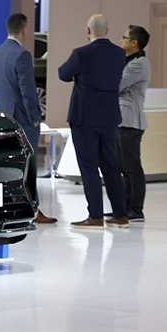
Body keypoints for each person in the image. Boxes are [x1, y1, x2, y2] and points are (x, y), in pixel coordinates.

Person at [57, 14, 129, 228]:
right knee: (110, 166)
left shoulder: (81, 53)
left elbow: (63, 73)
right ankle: (120, 214)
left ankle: (95, 216)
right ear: (107, 31)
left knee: (89, 167)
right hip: (109, 117)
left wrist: (78, 75)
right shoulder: (119, 53)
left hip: (84, 117)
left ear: (88, 30)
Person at [0, 12, 56, 223]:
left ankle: (9, 209)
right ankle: (32, 209)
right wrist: (35, 118)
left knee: (6, 166)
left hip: (4, 118)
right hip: (23, 120)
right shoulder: (22, 55)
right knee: (29, 165)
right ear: (24, 29)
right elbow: (28, 90)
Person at [118, 24, 151, 221]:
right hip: (120, 120)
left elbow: (115, 84)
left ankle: (136, 209)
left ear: (134, 42)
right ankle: (124, 207)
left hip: (130, 121)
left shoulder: (139, 63)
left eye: (124, 37)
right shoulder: (127, 61)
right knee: (122, 166)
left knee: (131, 167)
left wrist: (119, 86)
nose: (120, 40)